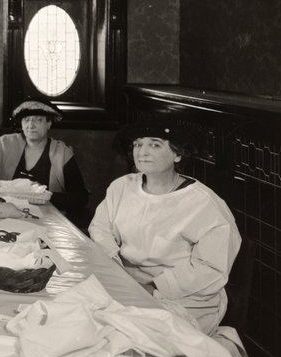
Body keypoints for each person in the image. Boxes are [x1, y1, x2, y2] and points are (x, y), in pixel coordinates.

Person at [89, 121, 241, 336]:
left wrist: (154, 288)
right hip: (126, 284)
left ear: (177, 155)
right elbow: (100, 228)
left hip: (183, 299)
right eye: (137, 145)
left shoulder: (203, 203)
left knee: (122, 335)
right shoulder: (122, 186)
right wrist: (115, 267)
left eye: (155, 145)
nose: (142, 152)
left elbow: (210, 269)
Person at [0, 99, 89, 225]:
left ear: (49, 123)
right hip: (4, 216)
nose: (31, 125)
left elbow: (81, 197)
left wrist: (44, 197)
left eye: (38, 120)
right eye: (27, 120)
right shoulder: (4, 145)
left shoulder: (62, 154)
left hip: (47, 220)